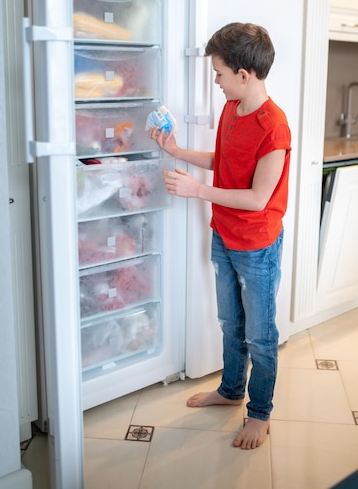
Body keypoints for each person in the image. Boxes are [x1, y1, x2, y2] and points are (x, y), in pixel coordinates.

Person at [149, 22, 291, 450]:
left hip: (257, 245)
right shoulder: (233, 107)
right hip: (224, 236)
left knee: (260, 336)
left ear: (244, 76)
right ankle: (231, 391)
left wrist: (196, 190)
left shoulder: (274, 128)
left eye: (219, 73)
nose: (216, 81)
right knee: (231, 324)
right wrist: (177, 151)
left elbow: (257, 197)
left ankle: (260, 413)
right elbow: (222, 160)